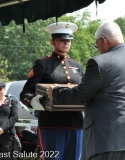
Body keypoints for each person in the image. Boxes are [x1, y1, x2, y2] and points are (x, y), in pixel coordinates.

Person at [48, 21, 125, 160]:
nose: (98, 49)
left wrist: (55, 92)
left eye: (97, 44)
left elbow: (79, 96)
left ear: (103, 40)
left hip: (111, 140)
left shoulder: (100, 62)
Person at [20, 22, 84, 160]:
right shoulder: (42, 64)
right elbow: (25, 94)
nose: (66, 43)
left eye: (69, 40)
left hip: (76, 123)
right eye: (62, 40)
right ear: (52, 41)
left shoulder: (77, 65)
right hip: (52, 124)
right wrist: (36, 101)